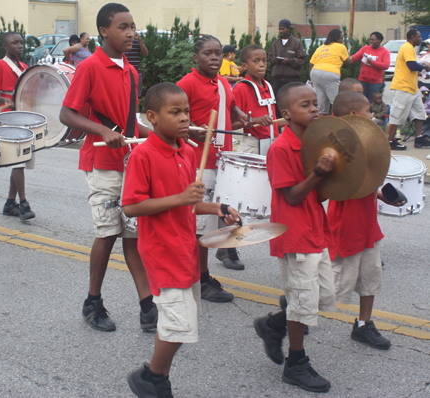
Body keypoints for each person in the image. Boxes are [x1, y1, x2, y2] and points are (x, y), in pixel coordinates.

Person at [123, 82, 241, 398]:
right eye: (174, 112)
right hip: (162, 250)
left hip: (185, 246)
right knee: (178, 322)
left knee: (185, 321)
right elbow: (131, 206)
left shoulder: (188, 151)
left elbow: (189, 202)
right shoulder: (143, 155)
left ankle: (155, 375)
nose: (184, 118)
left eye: (186, 111)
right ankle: (152, 378)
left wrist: (218, 207)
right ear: (152, 117)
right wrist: (179, 198)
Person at [59, 3, 156, 332]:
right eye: (123, 27)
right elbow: (67, 114)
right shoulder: (90, 66)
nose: (131, 33)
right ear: (104, 31)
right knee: (108, 232)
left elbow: (130, 124)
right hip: (101, 162)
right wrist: (101, 131)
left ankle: (147, 305)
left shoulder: (130, 70)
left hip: (129, 162)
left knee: (133, 234)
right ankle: (93, 301)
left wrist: (164, 136)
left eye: (132, 26)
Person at [254, 82, 336, 393]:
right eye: (306, 105)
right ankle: (296, 363)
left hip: (316, 230)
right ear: (286, 114)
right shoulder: (281, 148)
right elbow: (291, 196)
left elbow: (322, 193)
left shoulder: (315, 145)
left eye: (315, 103)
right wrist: (318, 173)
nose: (314, 109)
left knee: (321, 296)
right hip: (295, 234)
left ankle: (273, 325)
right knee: (303, 304)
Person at [329, 90, 404, 350]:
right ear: (353, 115)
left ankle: (363, 325)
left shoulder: (365, 143)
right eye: (367, 112)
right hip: (347, 225)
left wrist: (383, 195)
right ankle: (286, 316)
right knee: (332, 287)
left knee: (370, 278)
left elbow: (368, 184)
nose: (372, 115)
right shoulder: (334, 146)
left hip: (369, 224)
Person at [177, 35, 249, 283]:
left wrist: (241, 114)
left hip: (224, 161)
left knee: (225, 212)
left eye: (218, 52)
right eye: (208, 53)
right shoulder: (186, 84)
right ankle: (202, 277)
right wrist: (191, 129)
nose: (215, 57)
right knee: (202, 225)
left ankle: (225, 250)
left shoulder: (223, 83)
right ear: (196, 57)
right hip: (200, 162)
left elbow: (230, 109)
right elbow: (173, 119)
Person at [0, 31, 36, 220]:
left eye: (21, 42)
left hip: (25, 118)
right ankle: (24, 203)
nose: (20, 46)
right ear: (5, 46)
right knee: (19, 161)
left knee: (19, 161)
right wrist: (6, 100)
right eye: (15, 43)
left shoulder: (24, 67)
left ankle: (9, 203)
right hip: (8, 120)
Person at [232, 44, 281, 154]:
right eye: (256, 61)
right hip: (253, 145)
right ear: (244, 66)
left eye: (264, 61)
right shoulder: (241, 88)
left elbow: (272, 123)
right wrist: (254, 120)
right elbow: (230, 124)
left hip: (273, 142)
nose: (262, 65)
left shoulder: (268, 85)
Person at [388, 29, 430, 150]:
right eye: (419, 36)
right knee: (397, 114)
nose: (421, 39)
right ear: (412, 37)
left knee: (420, 113)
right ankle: (391, 140)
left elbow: (411, 69)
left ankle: (419, 138)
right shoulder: (407, 47)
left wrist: (423, 74)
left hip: (413, 88)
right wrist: (425, 66)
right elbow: (411, 65)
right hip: (403, 87)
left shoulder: (411, 49)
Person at [309, 28, 353, 116]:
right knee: (337, 102)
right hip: (329, 73)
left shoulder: (320, 48)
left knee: (322, 106)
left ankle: (321, 126)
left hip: (315, 73)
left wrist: (311, 78)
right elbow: (348, 61)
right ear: (337, 38)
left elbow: (311, 64)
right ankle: (339, 124)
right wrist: (354, 57)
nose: (342, 40)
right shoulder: (340, 46)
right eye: (341, 38)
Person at [269, 19, 306, 118]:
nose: (281, 31)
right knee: (276, 103)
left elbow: (302, 59)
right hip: (277, 79)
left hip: (291, 79)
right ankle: (278, 126)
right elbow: (270, 59)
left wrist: (289, 61)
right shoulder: (275, 43)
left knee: (291, 102)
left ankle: (291, 124)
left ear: (289, 29)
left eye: (283, 29)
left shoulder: (296, 43)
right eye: (279, 29)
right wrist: (275, 60)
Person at [350, 31, 390, 103]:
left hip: (375, 83)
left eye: (373, 40)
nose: (371, 41)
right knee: (360, 101)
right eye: (370, 39)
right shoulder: (365, 48)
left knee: (372, 102)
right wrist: (348, 58)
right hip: (362, 80)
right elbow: (355, 57)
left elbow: (386, 65)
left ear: (379, 40)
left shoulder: (385, 52)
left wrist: (372, 62)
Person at [123, 22, 148, 125]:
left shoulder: (138, 39)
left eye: (133, 28)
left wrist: (139, 40)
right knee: (124, 95)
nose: (132, 30)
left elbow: (145, 53)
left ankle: (137, 118)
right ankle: (126, 116)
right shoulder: (123, 39)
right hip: (123, 70)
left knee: (136, 95)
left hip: (136, 71)